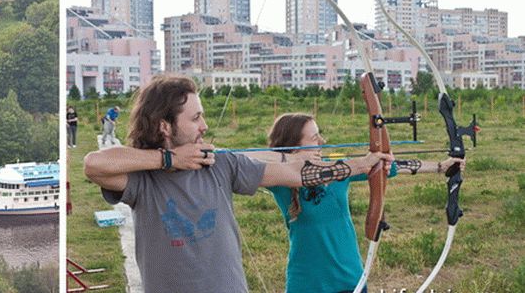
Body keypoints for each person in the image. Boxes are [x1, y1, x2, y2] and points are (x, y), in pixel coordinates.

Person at [83, 76, 393, 293]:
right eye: (195, 119)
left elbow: (299, 173)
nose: (204, 126)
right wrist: (168, 160)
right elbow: (93, 165)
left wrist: (361, 164)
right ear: (165, 126)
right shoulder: (143, 180)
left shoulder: (222, 164)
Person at [257, 113, 464, 293]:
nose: (322, 141)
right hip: (306, 283)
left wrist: (441, 166)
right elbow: (253, 163)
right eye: (314, 137)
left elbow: (391, 167)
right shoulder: (280, 181)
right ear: (292, 144)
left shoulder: (340, 170)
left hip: (349, 278)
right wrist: (289, 158)